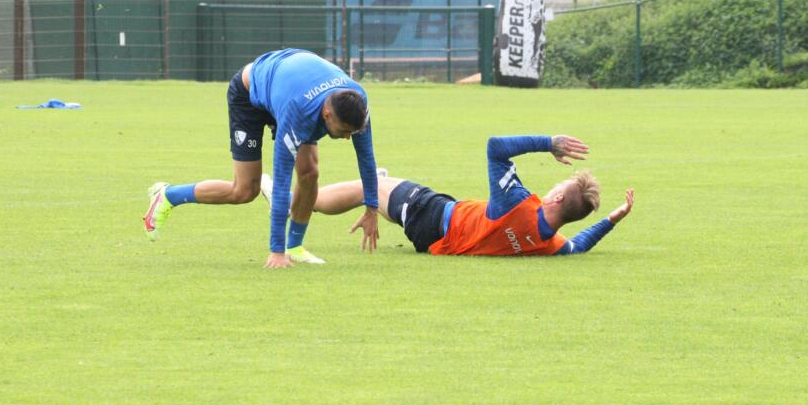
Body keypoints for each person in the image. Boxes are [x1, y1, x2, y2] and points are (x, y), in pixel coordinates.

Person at [143, 49, 380, 269]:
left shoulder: (357, 101)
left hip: (288, 85)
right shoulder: (298, 112)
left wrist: (371, 208)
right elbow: (281, 182)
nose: (349, 138)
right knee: (244, 191)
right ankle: (168, 195)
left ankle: (295, 247)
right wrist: (275, 252)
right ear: (327, 114)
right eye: (344, 131)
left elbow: (367, 158)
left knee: (310, 173)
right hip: (250, 94)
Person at [262, 135, 634, 256]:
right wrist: (611, 220)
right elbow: (579, 246)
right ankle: (382, 183)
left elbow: (495, 147)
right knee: (381, 186)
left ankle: (276, 196)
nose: (549, 189)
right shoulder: (549, 243)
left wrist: (547, 143)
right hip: (438, 233)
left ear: (554, 201)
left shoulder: (516, 204)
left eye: (555, 188)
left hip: (431, 214)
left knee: (367, 189)